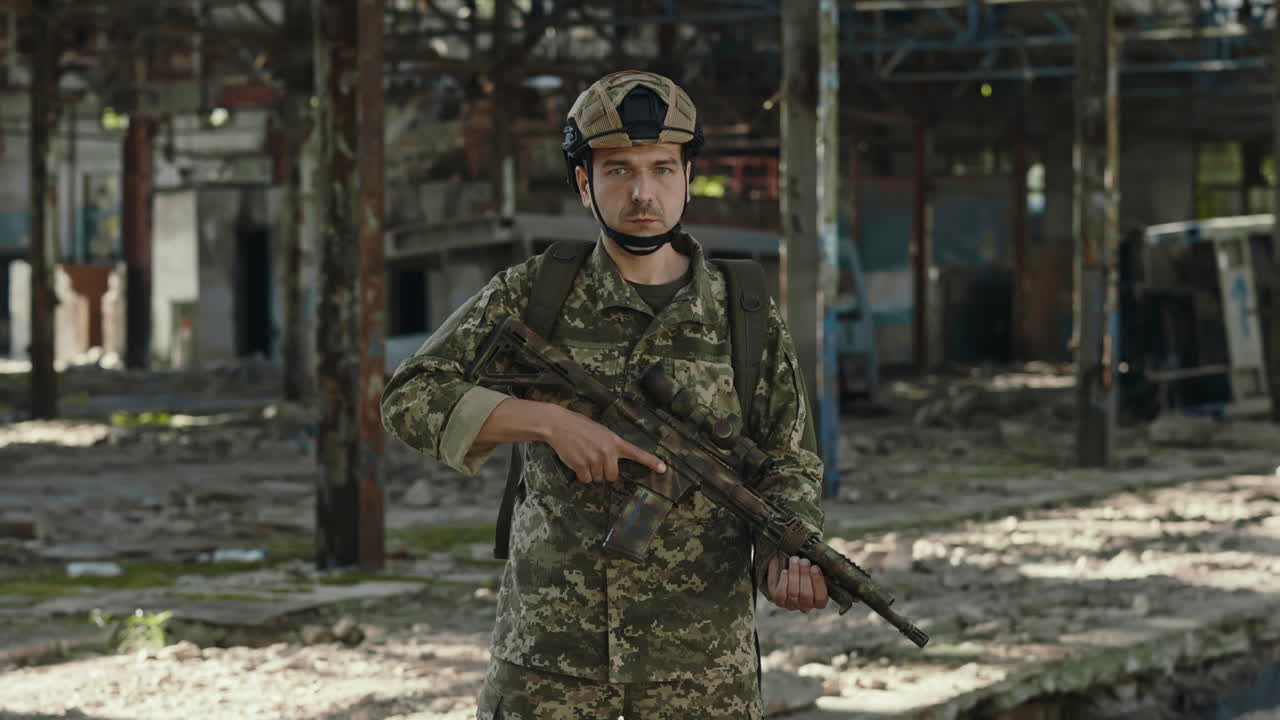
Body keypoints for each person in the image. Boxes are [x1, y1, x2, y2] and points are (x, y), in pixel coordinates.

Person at [381, 70, 827, 719]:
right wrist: (544, 421)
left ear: (687, 177)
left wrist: (785, 557)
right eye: (618, 170)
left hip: (700, 665)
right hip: (548, 658)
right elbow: (409, 396)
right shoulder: (534, 293)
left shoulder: (744, 311)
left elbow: (788, 460)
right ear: (584, 181)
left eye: (662, 169)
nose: (643, 192)